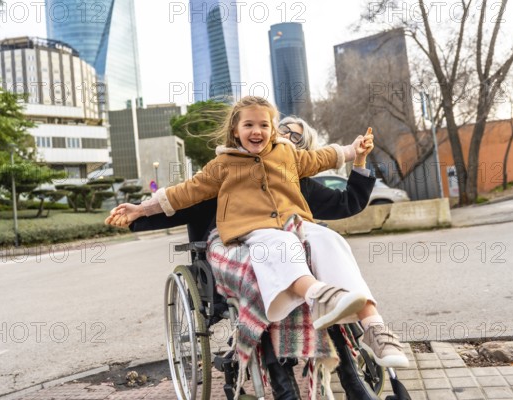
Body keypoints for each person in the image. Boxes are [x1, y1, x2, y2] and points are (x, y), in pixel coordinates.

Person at [106, 96, 408, 370]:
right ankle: (318, 295)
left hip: (295, 222)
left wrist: (355, 151)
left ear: (272, 130)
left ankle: (375, 327)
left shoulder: (287, 157)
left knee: (330, 239)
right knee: (282, 242)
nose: (257, 131)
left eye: (264, 125)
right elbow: (184, 193)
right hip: (253, 231)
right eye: (249, 124)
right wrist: (140, 210)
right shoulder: (222, 166)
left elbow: (324, 157)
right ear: (236, 130)